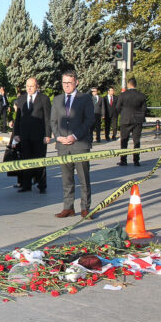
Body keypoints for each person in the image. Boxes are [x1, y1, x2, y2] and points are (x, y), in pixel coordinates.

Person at [50, 70, 95, 218]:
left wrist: (75, 136)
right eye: (64, 82)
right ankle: (68, 207)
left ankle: (85, 208)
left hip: (79, 144)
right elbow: (53, 121)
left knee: (83, 178)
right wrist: (58, 137)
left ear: (76, 82)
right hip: (63, 145)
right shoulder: (57, 100)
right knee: (66, 179)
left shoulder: (85, 98)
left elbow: (89, 120)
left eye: (69, 82)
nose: (66, 85)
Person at [13, 77, 51, 194]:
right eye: (27, 86)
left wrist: (47, 135)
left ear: (37, 87)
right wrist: (16, 134)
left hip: (39, 136)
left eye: (32, 86)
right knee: (25, 161)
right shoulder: (21, 99)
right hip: (25, 136)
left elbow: (47, 118)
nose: (29, 88)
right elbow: (18, 118)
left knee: (40, 161)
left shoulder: (44, 99)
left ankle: (42, 185)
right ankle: (26, 185)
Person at [116, 78, 148, 167]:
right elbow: (144, 109)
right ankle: (136, 160)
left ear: (128, 84)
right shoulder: (141, 95)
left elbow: (117, 107)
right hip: (138, 120)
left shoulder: (123, 95)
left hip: (126, 119)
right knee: (136, 140)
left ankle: (123, 160)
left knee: (124, 140)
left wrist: (122, 114)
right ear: (135, 84)